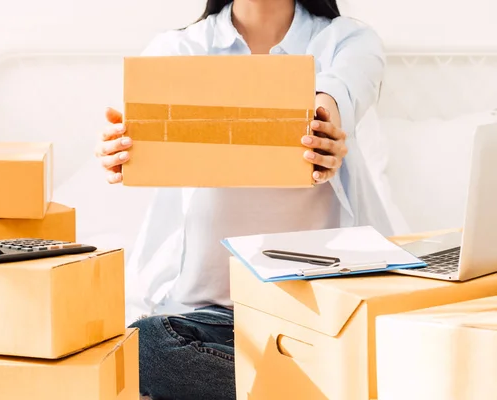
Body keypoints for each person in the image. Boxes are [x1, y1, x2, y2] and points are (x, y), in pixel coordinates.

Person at [95, 1, 393, 399]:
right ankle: (322, 389)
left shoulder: (348, 39)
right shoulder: (178, 49)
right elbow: (140, 129)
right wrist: (120, 152)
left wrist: (325, 128)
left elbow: (339, 92)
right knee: (144, 347)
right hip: (211, 317)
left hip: (322, 313)